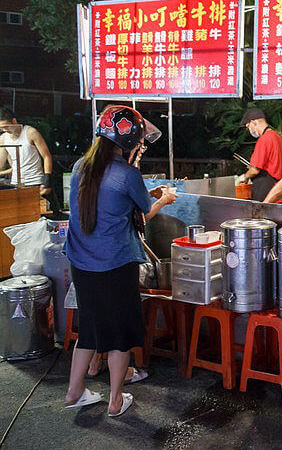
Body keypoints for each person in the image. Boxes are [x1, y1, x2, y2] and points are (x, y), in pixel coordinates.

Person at [63, 105, 177, 417]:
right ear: (130, 143)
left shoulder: (79, 167)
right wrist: (164, 198)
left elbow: (108, 200)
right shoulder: (127, 173)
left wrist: (147, 191)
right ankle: (115, 400)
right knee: (120, 334)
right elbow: (143, 215)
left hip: (81, 262)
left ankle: (74, 392)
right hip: (115, 264)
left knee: (90, 326)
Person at [237, 107, 282, 202]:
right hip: (276, 190)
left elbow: (254, 170)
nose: (249, 130)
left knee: (260, 216)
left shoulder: (264, 139)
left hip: (263, 190)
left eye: (248, 126)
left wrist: (243, 177)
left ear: (254, 123)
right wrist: (273, 168)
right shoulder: (279, 138)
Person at [0, 107, 53, 198]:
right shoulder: (3, 138)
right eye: (1, 128)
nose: (5, 130)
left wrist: (47, 181)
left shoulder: (31, 132)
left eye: (6, 126)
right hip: (15, 183)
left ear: (14, 121)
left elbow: (47, 156)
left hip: (35, 182)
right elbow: (0, 162)